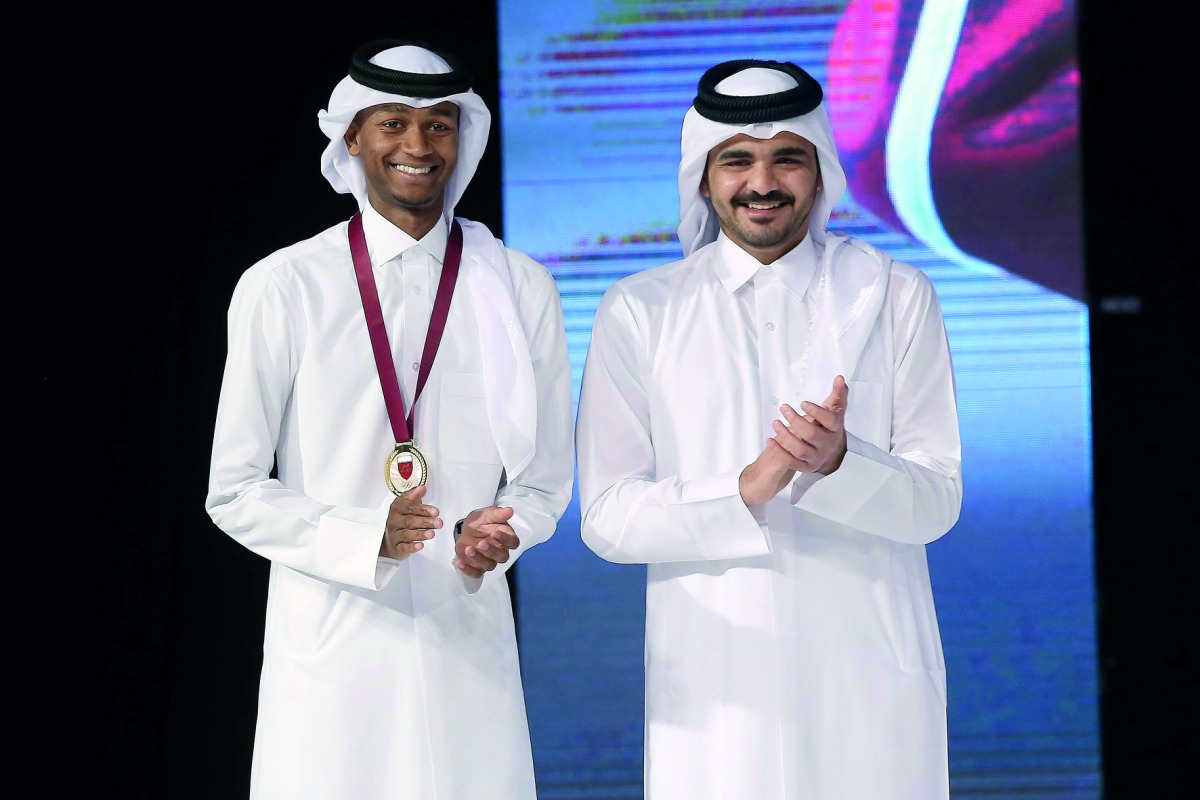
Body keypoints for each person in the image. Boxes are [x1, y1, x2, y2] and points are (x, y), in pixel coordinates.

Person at [575, 58, 963, 799]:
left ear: (819, 174)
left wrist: (841, 463)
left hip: (870, 680)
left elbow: (938, 503)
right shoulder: (640, 311)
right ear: (703, 176)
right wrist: (742, 490)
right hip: (719, 695)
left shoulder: (894, 295)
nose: (762, 183)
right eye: (737, 161)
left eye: (788, 158)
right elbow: (608, 520)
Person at [205, 39, 574, 799]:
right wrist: (360, 538)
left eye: (439, 125)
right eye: (393, 124)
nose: (417, 145)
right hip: (333, 647)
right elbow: (234, 489)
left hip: (466, 642)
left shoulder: (519, 285)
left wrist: (504, 535)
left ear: (461, 140)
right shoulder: (284, 286)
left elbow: (545, 482)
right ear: (352, 138)